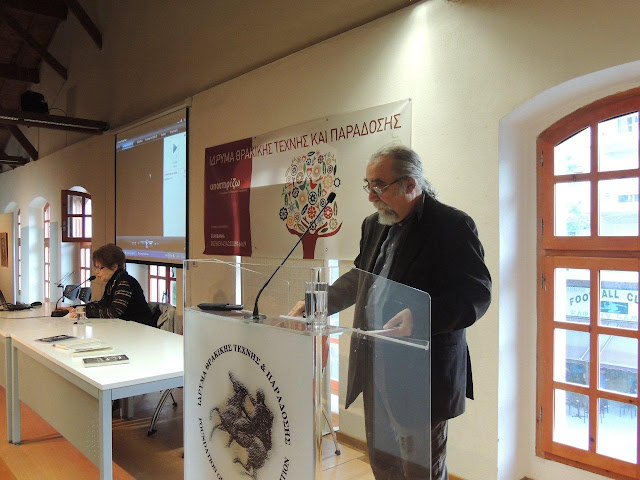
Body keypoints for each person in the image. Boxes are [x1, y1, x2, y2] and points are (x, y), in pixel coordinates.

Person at [290, 145, 491, 479]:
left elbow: (477, 294)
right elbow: (360, 277)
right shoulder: (374, 224)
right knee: (383, 463)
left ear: (410, 184)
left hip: (421, 373)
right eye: (368, 185)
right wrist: (318, 301)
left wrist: (422, 317)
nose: (371, 196)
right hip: (375, 364)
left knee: (420, 469)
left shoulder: (452, 225)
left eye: (379, 186)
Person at [65, 243, 155, 326]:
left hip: (139, 328)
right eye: (96, 267)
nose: (96, 272)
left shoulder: (124, 283)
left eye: (101, 268)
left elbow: (114, 311)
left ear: (114, 267)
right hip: (125, 327)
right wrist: (76, 308)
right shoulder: (113, 281)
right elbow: (102, 304)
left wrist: (84, 312)